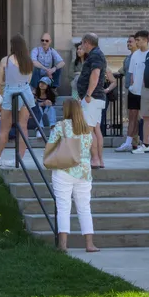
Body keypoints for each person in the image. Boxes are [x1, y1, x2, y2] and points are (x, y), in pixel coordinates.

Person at [48, 100, 97, 253]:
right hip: (83, 171)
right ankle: (89, 244)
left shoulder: (60, 126)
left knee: (63, 208)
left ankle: (63, 245)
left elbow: (51, 144)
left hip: (64, 169)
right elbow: (89, 148)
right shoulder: (86, 128)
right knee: (84, 208)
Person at [0, 34, 36, 168]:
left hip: (10, 92)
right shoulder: (29, 61)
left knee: (4, 129)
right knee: (23, 127)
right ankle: (19, 159)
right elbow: (28, 80)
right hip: (25, 93)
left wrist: (3, 91)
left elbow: (0, 80)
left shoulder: (5, 60)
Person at [76, 32, 108, 169]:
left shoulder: (95, 55)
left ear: (87, 43)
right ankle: (99, 160)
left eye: (82, 43)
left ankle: (94, 159)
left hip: (92, 98)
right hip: (96, 98)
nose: (81, 46)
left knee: (88, 130)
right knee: (95, 130)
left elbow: (95, 74)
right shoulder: (97, 54)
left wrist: (88, 94)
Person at [116, 31, 148, 152]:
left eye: (131, 41)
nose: (128, 43)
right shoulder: (129, 58)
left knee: (143, 117)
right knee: (131, 116)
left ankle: (144, 142)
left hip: (144, 91)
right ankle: (132, 142)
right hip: (131, 90)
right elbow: (126, 71)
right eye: (127, 41)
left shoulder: (147, 54)